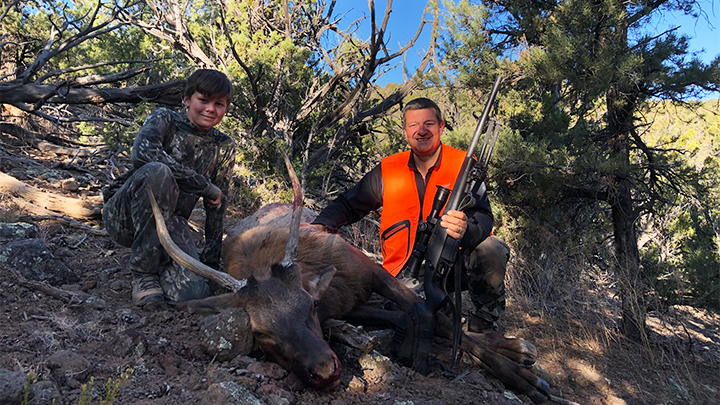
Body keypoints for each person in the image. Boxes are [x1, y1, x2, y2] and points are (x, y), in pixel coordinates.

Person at [311, 98, 510, 332]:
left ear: (441, 127)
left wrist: (468, 229)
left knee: (492, 249)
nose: (422, 131)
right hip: (404, 272)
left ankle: (484, 327)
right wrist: (317, 228)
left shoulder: (463, 164)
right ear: (405, 132)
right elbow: (348, 204)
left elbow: (484, 215)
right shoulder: (388, 168)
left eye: (429, 123)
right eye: (414, 125)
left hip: (452, 265)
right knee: (411, 321)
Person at [102, 69, 236, 310]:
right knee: (158, 172)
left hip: (172, 223)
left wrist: (210, 265)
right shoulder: (164, 117)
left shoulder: (223, 146)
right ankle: (144, 275)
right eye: (203, 100)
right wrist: (204, 186)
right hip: (124, 218)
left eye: (219, 104)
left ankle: (164, 262)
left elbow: (217, 205)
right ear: (186, 100)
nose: (210, 109)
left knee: (195, 295)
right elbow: (142, 154)